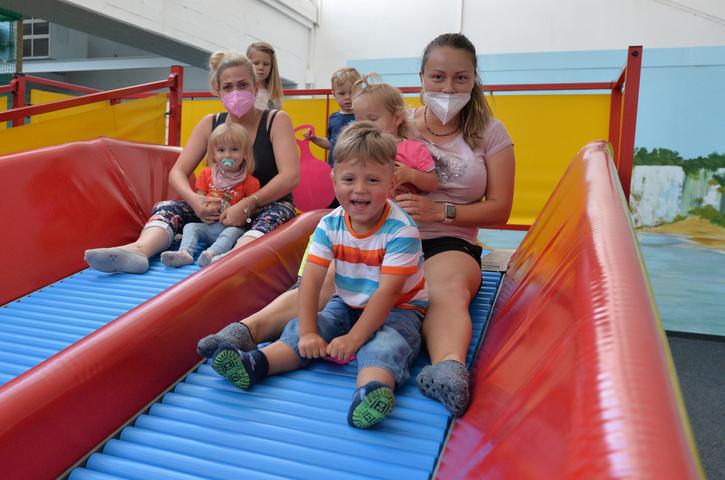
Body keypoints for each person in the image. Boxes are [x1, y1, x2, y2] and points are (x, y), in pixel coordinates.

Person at [198, 33, 515, 418]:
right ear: (422, 78)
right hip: (376, 232)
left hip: (446, 238)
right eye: (438, 77)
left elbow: (500, 209)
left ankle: (448, 367)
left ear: (473, 80)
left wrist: (442, 212)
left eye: (460, 79)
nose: (448, 88)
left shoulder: (490, 133)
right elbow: (355, 161)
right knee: (329, 280)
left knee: (444, 288)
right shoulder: (397, 120)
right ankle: (246, 331)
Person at [207, 122, 428, 429]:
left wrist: (354, 338)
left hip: (399, 308)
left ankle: (371, 391)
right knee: (306, 327)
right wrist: (311, 331)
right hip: (347, 300)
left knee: (386, 344)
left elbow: (387, 293)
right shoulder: (329, 224)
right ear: (334, 179)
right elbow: (311, 281)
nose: (360, 189)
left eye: (373, 180)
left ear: (392, 182)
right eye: (349, 179)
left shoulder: (401, 230)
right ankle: (258, 363)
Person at [84, 51, 299, 274]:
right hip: (220, 207)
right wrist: (195, 200)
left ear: (255, 87)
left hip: (262, 205)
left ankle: (232, 257)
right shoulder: (211, 123)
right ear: (218, 91)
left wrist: (249, 203)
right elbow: (178, 172)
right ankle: (140, 250)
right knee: (169, 207)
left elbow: (290, 176)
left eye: (242, 85)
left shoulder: (275, 120)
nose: (235, 92)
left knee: (277, 212)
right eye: (228, 87)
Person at [160, 123, 260, 267]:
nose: (227, 155)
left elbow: (253, 210)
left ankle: (212, 254)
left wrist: (242, 213)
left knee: (232, 232)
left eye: (234, 150)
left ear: (245, 153)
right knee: (190, 227)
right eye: (221, 150)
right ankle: (185, 254)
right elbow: (199, 200)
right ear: (213, 154)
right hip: (209, 226)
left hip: (231, 228)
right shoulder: (207, 174)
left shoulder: (250, 181)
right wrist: (203, 211)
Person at [351, 74, 437, 195]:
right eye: (359, 121)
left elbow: (432, 183)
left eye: (372, 119)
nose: (365, 126)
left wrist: (411, 175)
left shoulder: (414, 149)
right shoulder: (358, 149)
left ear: (397, 118)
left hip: (402, 211)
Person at [304, 67, 361, 166]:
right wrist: (314, 139)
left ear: (359, 92)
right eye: (342, 93)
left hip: (356, 167)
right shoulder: (333, 118)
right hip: (334, 168)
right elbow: (330, 144)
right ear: (334, 94)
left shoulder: (362, 116)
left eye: (352, 92)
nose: (347, 97)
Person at [247, 42, 283, 110]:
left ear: (272, 67)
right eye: (256, 63)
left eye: (266, 64)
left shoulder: (274, 95)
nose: (261, 67)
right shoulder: (242, 91)